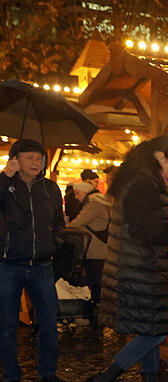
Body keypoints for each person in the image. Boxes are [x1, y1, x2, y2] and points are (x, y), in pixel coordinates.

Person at [89, 136, 168, 382]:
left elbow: (142, 228)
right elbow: (145, 229)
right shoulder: (144, 184)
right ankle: (107, 376)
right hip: (139, 269)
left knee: (150, 328)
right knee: (157, 331)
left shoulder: (136, 180)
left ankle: (150, 378)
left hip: (137, 266)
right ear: (160, 156)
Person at [0, 138, 66, 382]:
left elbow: (59, 221)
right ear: (15, 159)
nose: (36, 162)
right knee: (7, 325)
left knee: (49, 322)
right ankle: (10, 375)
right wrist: (5, 176)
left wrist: (55, 243)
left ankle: (48, 373)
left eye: (39, 158)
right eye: (29, 157)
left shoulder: (50, 188)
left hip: (42, 264)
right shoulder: (5, 184)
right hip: (8, 264)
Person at [65, 181, 111, 306]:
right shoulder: (98, 202)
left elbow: (78, 223)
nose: (76, 197)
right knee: (96, 281)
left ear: (84, 192)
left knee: (96, 281)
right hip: (100, 250)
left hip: (96, 251)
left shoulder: (93, 205)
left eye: (77, 194)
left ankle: (96, 311)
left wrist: (63, 228)